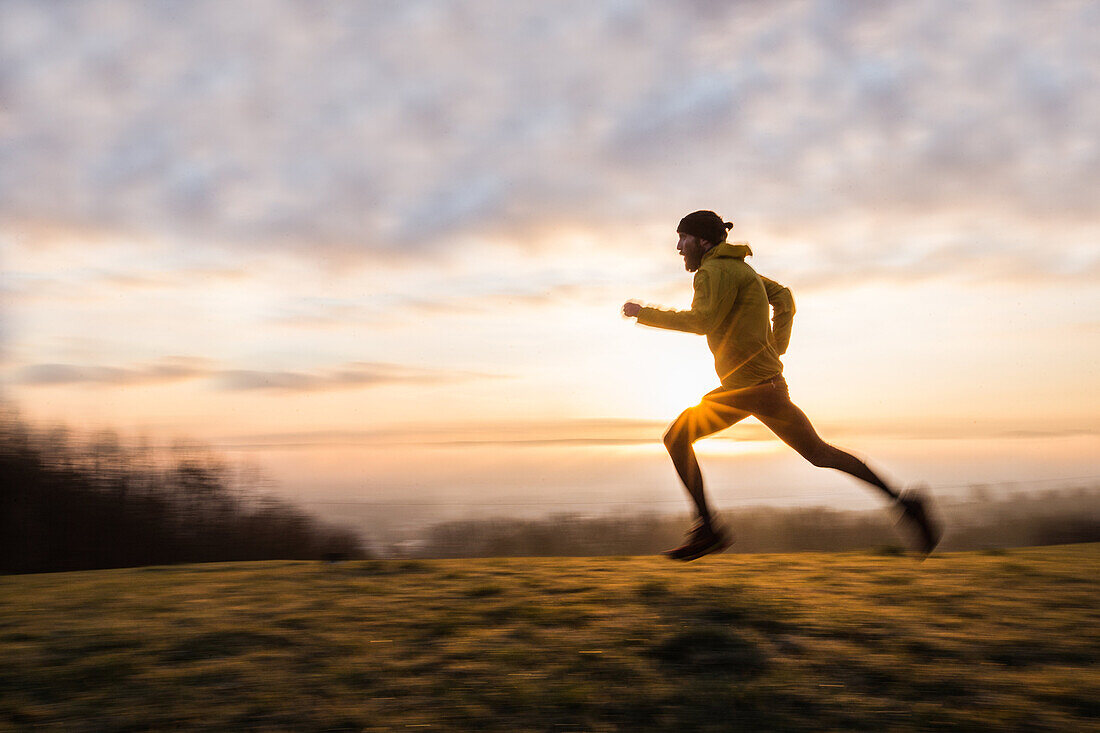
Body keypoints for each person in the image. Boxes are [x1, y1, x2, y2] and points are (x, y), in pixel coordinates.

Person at [622, 210, 941, 561]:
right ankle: (907, 504)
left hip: (748, 389)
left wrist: (644, 312)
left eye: (683, 238)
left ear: (702, 241)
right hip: (766, 386)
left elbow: (702, 321)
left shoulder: (713, 271)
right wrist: (776, 347)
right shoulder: (742, 270)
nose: (679, 248)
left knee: (677, 437)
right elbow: (784, 298)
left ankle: (709, 529)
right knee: (820, 454)